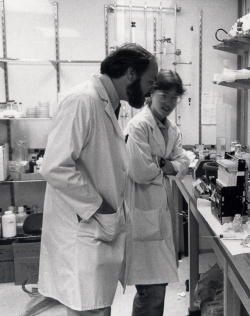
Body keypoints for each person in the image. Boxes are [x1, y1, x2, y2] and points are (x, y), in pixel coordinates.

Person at [38, 43, 158, 316]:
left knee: (97, 309)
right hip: (85, 231)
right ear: (130, 73)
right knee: (90, 310)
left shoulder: (107, 103)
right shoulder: (83, 101)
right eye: (150, 81)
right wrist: (100, 207)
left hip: (97, 231)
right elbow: (55, 166)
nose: (152, 89)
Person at [124, 69, 190, 316]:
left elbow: (183, 161)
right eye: (164, 95)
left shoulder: (170, 128)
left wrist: (161, 163)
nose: (170, 103)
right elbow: (140, 171)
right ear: (150, 93)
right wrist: (168, 165)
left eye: (175, 98)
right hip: (142, 214)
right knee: (150, 291)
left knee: (158, 286)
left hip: (159, 214)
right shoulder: (138, 126)